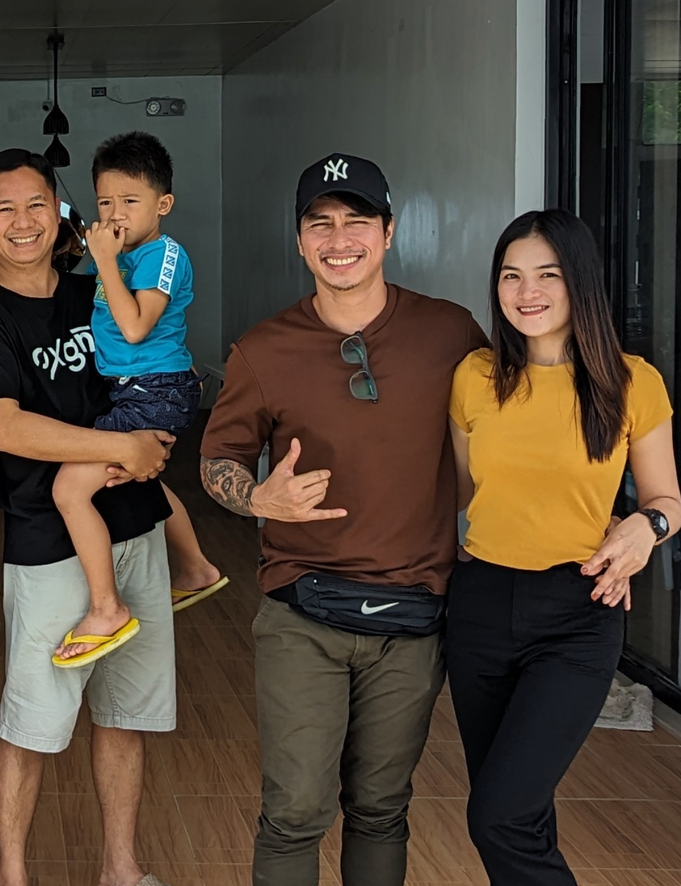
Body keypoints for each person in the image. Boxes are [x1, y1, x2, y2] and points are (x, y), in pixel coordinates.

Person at [198, 153, 489, 886]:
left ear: (388, 232)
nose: (339, 239)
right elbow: (217, 460)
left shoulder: (451, 334)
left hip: (415, 612)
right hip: (304, 609)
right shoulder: (263, 350)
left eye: (357, 221)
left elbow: (509, 431)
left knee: (382, 806)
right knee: (295, 809)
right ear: (299, 242)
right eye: (320, 224)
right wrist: (258, 498)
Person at [0, 148, 176, 886]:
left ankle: (122, 869)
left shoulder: (96, 292)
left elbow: (155, 363)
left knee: (124, 715)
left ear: (61, 212)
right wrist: (125, 444)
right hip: (48, 547)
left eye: (37, 204)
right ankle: (12, 876)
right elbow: (9, 430)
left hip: (135, 526)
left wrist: (157, 437)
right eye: (5, 209)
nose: (24, 222)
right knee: (33, 724)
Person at [447, 209, 681, 884]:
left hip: (578, 611)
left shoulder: (632, 383)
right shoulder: (474, 377)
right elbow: (461, 498)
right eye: (511, 275)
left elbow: (667, 502)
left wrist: (643, 529)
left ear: (580, 282)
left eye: (547, 274)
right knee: (521, 812)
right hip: (482, 607)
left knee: (497, 814)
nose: (527, 291)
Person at [51, 131, 227, 667]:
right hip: (133, 390)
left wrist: (104, 259)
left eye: (131, 201)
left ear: (163, 204)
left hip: (155, 392)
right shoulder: (122, 255)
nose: (116, 213)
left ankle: (106, 608)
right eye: (105, 202)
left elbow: (133, 328)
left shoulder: (162, 255)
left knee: (68, 488)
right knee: (148, 481)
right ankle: (197, 568)